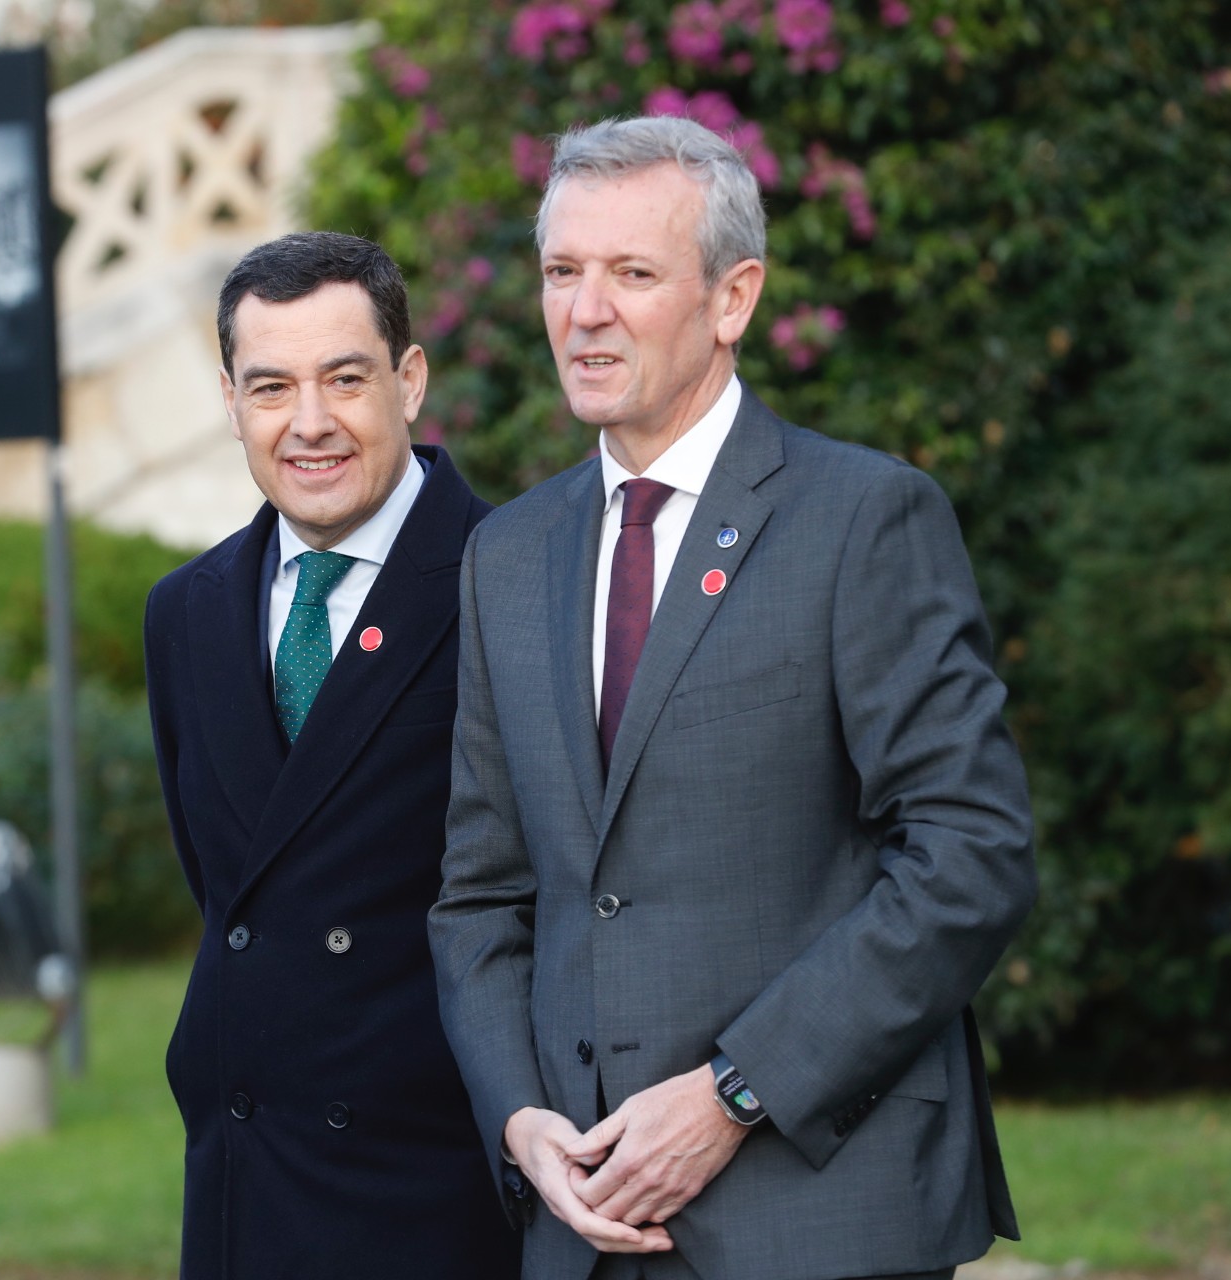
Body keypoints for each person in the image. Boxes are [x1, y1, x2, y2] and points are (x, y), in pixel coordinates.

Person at [430, 116, 1036, 1280]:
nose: (584, 311)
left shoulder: (863, 518)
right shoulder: (506, 555)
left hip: (820, 1219)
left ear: (733, 298)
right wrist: (519, 1119)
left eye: (631, 273)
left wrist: (733, 1092)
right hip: (582, 1227)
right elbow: (480, 894)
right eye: (561, 271)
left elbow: (973, 855)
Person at [144, 231, 519, 1279]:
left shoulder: (511, 577)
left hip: (439, 1180)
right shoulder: (185, 612)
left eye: (345, 379)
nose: (309, 423)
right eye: (271, 387)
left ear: (410, 379)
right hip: (246, 1165)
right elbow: (227, 884)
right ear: (231, 402)